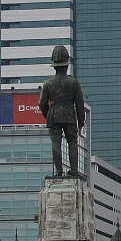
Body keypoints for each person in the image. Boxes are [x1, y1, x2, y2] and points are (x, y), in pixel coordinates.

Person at [39, 45, 86, 177]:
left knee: (56, 143)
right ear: (67, 65)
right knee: (72, 141)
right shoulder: (74, 82)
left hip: (54, 113)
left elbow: (41, 103)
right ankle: (74, 170)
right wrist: (81, 120)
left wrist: (48, 114)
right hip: (70, 113)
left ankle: (59, 172)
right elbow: (80, 103)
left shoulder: (48, 83)